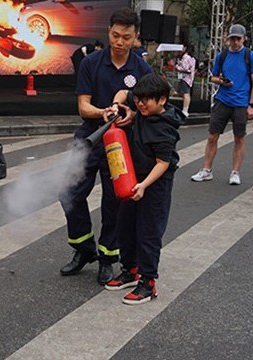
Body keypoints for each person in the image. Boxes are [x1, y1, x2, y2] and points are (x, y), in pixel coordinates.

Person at [59, 8, 152, 286]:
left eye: (126, 37)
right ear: (108, 33)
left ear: (136, 38)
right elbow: (83, 106)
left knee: (114, 203)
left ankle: (107, 257)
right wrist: (103, 112)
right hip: (89, 137)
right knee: (69, 193)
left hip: (121, 144)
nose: (119, 42)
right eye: (114, 35)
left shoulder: (142, 70)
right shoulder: (92, 63)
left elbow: (149, 107)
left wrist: (132, 113)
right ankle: (84, 248)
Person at [103, 73, 182, 304]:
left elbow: (163, 163)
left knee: (148, 233)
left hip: (154, 186)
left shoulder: (165, 128)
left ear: (162, 100)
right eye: (138, 98)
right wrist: (119, 106)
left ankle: (148, 283)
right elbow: (123, 94)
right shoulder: (141, 108)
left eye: (147, 99)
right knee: (125, 226)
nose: (140, 103)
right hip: (133, 180)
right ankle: (130, 269)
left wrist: (143, 185)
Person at [191, 24, 253, 185]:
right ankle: (206, 169)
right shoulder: (222, 55)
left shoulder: (250, 56)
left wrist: (252, 104)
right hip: (223, 99)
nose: (235, 42)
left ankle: (235, 172)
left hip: (241, 102)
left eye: (238, 39)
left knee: (239, 138)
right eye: (232, 39)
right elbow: (213, 77)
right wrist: (221, 81)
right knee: (212, 136)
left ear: (244, 39)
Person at [175, 44, 196, 117]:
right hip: (188, 78)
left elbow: (185, 68)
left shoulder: (186, 57)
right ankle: (185, 109)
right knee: (185, 93)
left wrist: (177, 67)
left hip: (185, 78)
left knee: (186, 94)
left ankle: (185, 110)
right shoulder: (192, 58)